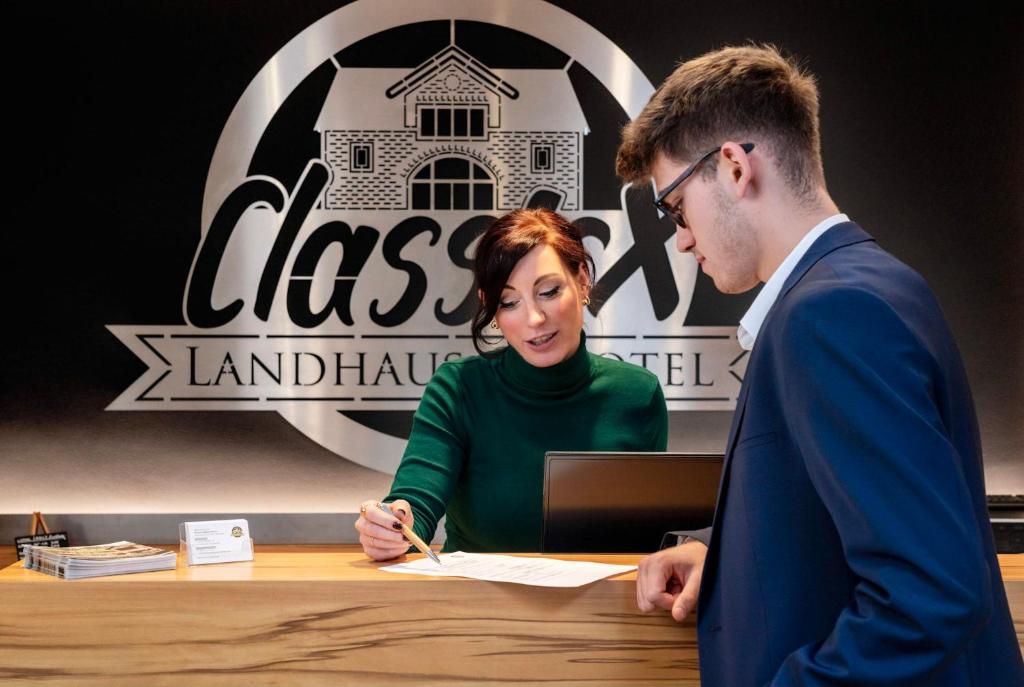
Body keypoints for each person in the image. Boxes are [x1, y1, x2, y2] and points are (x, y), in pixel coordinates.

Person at [616, 45, 1023, 686]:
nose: (682, 237)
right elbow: (833, 518)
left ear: (731, 167)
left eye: (673, 206)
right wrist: (721, 554)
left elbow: (930, 594)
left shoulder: (831, 313)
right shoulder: (871, 284)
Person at [355, 208, 668, 559]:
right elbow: (416, 503)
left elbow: (650, 532)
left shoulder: (638, 394)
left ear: (582, 282)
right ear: (491, 308)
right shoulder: (458, 389)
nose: (534, 318)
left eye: (548, 291)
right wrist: (391, 526)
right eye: (510, 302)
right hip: (477, 607)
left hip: (601, 608)